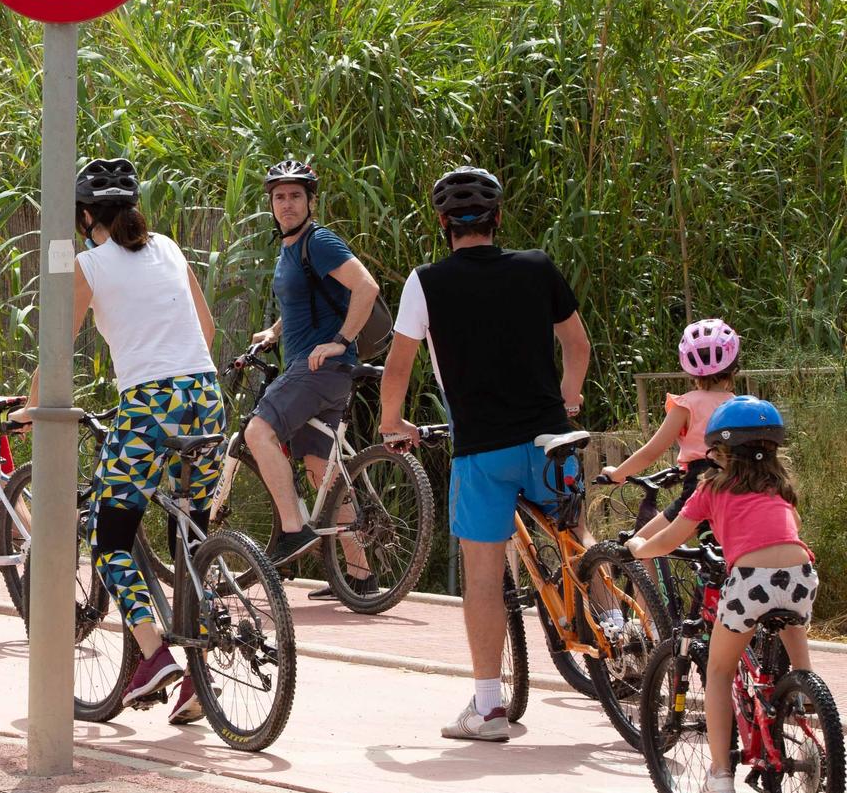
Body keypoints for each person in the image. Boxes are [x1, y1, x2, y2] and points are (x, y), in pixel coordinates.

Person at [379, 166, 591, 742]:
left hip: (483, 451)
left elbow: (399, 365)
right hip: (551, 439)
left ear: (443, 224)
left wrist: (391, 421)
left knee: (482, 573)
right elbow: (577, 343)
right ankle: (620, 629)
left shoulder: (426, 282)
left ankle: (489, 707)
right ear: (498, 220)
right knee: (575, 537)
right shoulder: (537, 266)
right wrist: (568, 397)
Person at [41, 158, 224, 723]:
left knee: (109, 533)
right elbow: (209, 329)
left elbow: (58, 351)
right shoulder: (168, 247)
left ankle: (155, 656)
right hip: (206, 395)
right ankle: (202, 675)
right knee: (191, 534)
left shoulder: (88, 264)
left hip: (148, 406)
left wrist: (31, 410)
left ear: (85, 216)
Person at [620, 397, 815, 793]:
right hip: (801, 576)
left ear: (720, 451)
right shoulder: (781, 488)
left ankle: (720, 775)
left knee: (720, 672)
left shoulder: (712, 488)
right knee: (793, 632)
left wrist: (639, 549)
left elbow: (672, 537)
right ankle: (803, 692)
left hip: (748, 582)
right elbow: (785, 531)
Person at [243, 160, 383, 591]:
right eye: (280, 197)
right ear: (271, 203)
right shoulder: (292, 248)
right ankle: (361, 577)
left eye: (295, 196)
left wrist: (340, 339)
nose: (287, 204)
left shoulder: (319, 241)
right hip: (321, 370)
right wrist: (275, 331)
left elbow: (367, 287)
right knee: (321, 468)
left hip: (319, 368)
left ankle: (292, 530)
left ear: (311, 202)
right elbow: (304, 304)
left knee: (257, 431)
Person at [600, 318, 743, 522]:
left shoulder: (686, 405)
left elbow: (652, 452)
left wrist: (617, 474)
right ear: (734, 363)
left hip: (702, 485)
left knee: (641, 544)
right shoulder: (740, 405)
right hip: (738, 485)